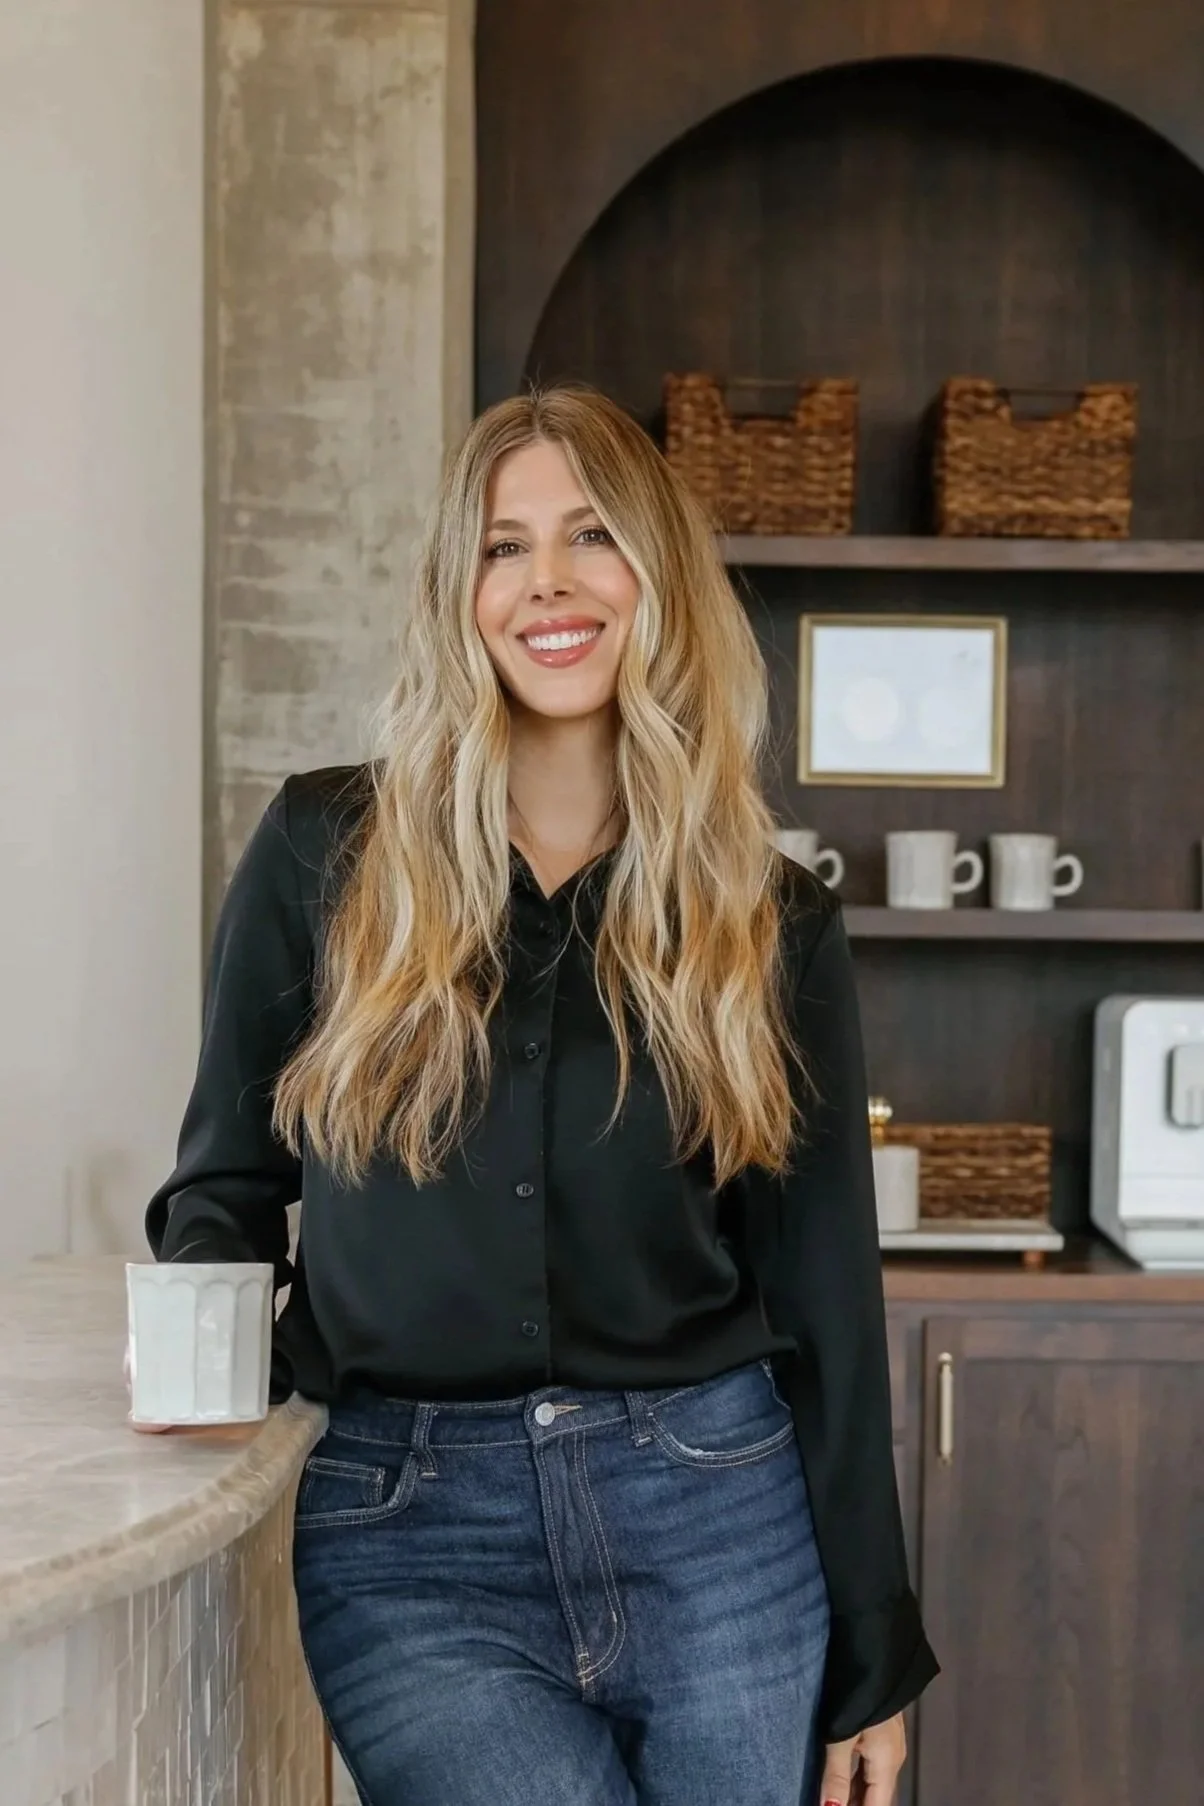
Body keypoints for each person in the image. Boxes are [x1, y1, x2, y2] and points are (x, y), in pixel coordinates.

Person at [143, 385, 938, 1806]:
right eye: (505, 547)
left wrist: (878, 1645)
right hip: (409, 1534)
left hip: (721, 1520)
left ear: (656, 575)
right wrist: (212, 1359)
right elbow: (223, 1187)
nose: (550, 583)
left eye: (591, 536)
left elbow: (825, 1296)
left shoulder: (772, 919)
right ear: (462, 591)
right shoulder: (324, 853)